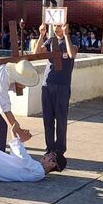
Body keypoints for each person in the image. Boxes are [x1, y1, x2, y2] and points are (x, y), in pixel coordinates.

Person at [35, 23, 77, 157]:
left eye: (59, 25)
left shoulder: (71, 40)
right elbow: (36, 53)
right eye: (54, 26)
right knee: (47, 119)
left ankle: (60, 149)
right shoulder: (50, 40)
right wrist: (42, 34)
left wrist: (66, 35)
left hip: (62, 85)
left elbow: (72, 54)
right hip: (48, 84)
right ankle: (50, 148)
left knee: (61, 119)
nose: (56, 28)